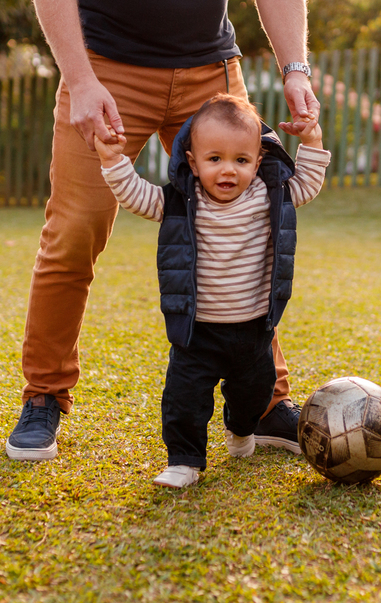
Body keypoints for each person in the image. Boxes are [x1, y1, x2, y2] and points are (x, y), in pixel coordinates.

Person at [6, 0, 320, 461]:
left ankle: (264, 402)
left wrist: (295, 67)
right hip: (107, 68)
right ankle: (44, 395)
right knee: (76, 229)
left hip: (210, 69)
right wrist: (82, 79)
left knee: (253, 220)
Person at [93, 94, 329, 487]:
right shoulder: (182, 202)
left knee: (253, 394)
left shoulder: (267, 198)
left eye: (241, 160)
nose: (227, 170)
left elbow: (308, 183)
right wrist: (112, 160)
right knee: (184, 399)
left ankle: (241, 430)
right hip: (197, 331)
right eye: (214, 158)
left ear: (257, 161)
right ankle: (184, 460)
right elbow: (135, 194)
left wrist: (313, 140)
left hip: (254, 329)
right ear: (192, 161)